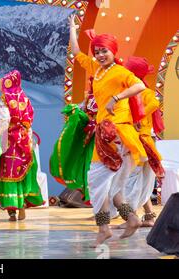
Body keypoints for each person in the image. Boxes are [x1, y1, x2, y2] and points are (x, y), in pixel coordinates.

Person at [69, 15, 147, 247]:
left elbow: (140, 85)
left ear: (113, 52)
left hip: (117, 134)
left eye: (104, 51)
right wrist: (72, 30)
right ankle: (129, 219)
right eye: (98, 51)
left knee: (96, 181)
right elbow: (76, 53)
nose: (100, 55)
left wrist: (117, 97)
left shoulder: (119, 72)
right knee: (110, 189)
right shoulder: (97, 69)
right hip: (106, 133)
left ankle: (104, 228)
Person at [112, 56, 165, 228]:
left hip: (137, 145)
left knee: (129, 182)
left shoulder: (132, 95)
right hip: (145, 144)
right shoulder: (147, 94)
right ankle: (149, 216)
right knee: (142, 181)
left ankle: (131, 219)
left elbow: (138, 114)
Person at [0, 70, 44, 221]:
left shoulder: (4, 98)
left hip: (9, 139)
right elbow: (29, 121)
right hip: (24, 138)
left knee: (8, 172)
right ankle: (22, 206)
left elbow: (5, 121)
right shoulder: (25, 98)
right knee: (22, 170)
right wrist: (29, 139)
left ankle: (12, 211)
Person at [50, 77, 97, 205]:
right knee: (88, 169)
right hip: (91, 139)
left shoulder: (110, 97)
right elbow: (82, 110)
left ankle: (112, 213)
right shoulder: (90, 97)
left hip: (102, 139)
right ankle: (101, 213)